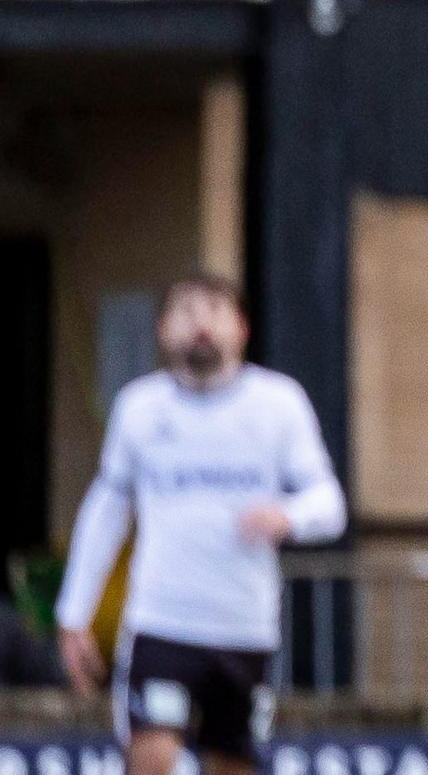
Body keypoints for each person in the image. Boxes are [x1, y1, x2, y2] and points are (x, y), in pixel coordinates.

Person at [54, 275, 346, 775]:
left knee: (230, 762)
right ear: (164, 329)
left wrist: (289, 516)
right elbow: (108, 510)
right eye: (186, 311)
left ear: (243, 328)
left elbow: (330, 505)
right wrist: (74, 611)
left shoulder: (278, 404)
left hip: (244, 626)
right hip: (162, 624)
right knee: (152, 756)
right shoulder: (141, 408)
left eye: (214, 310)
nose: (201, 323)